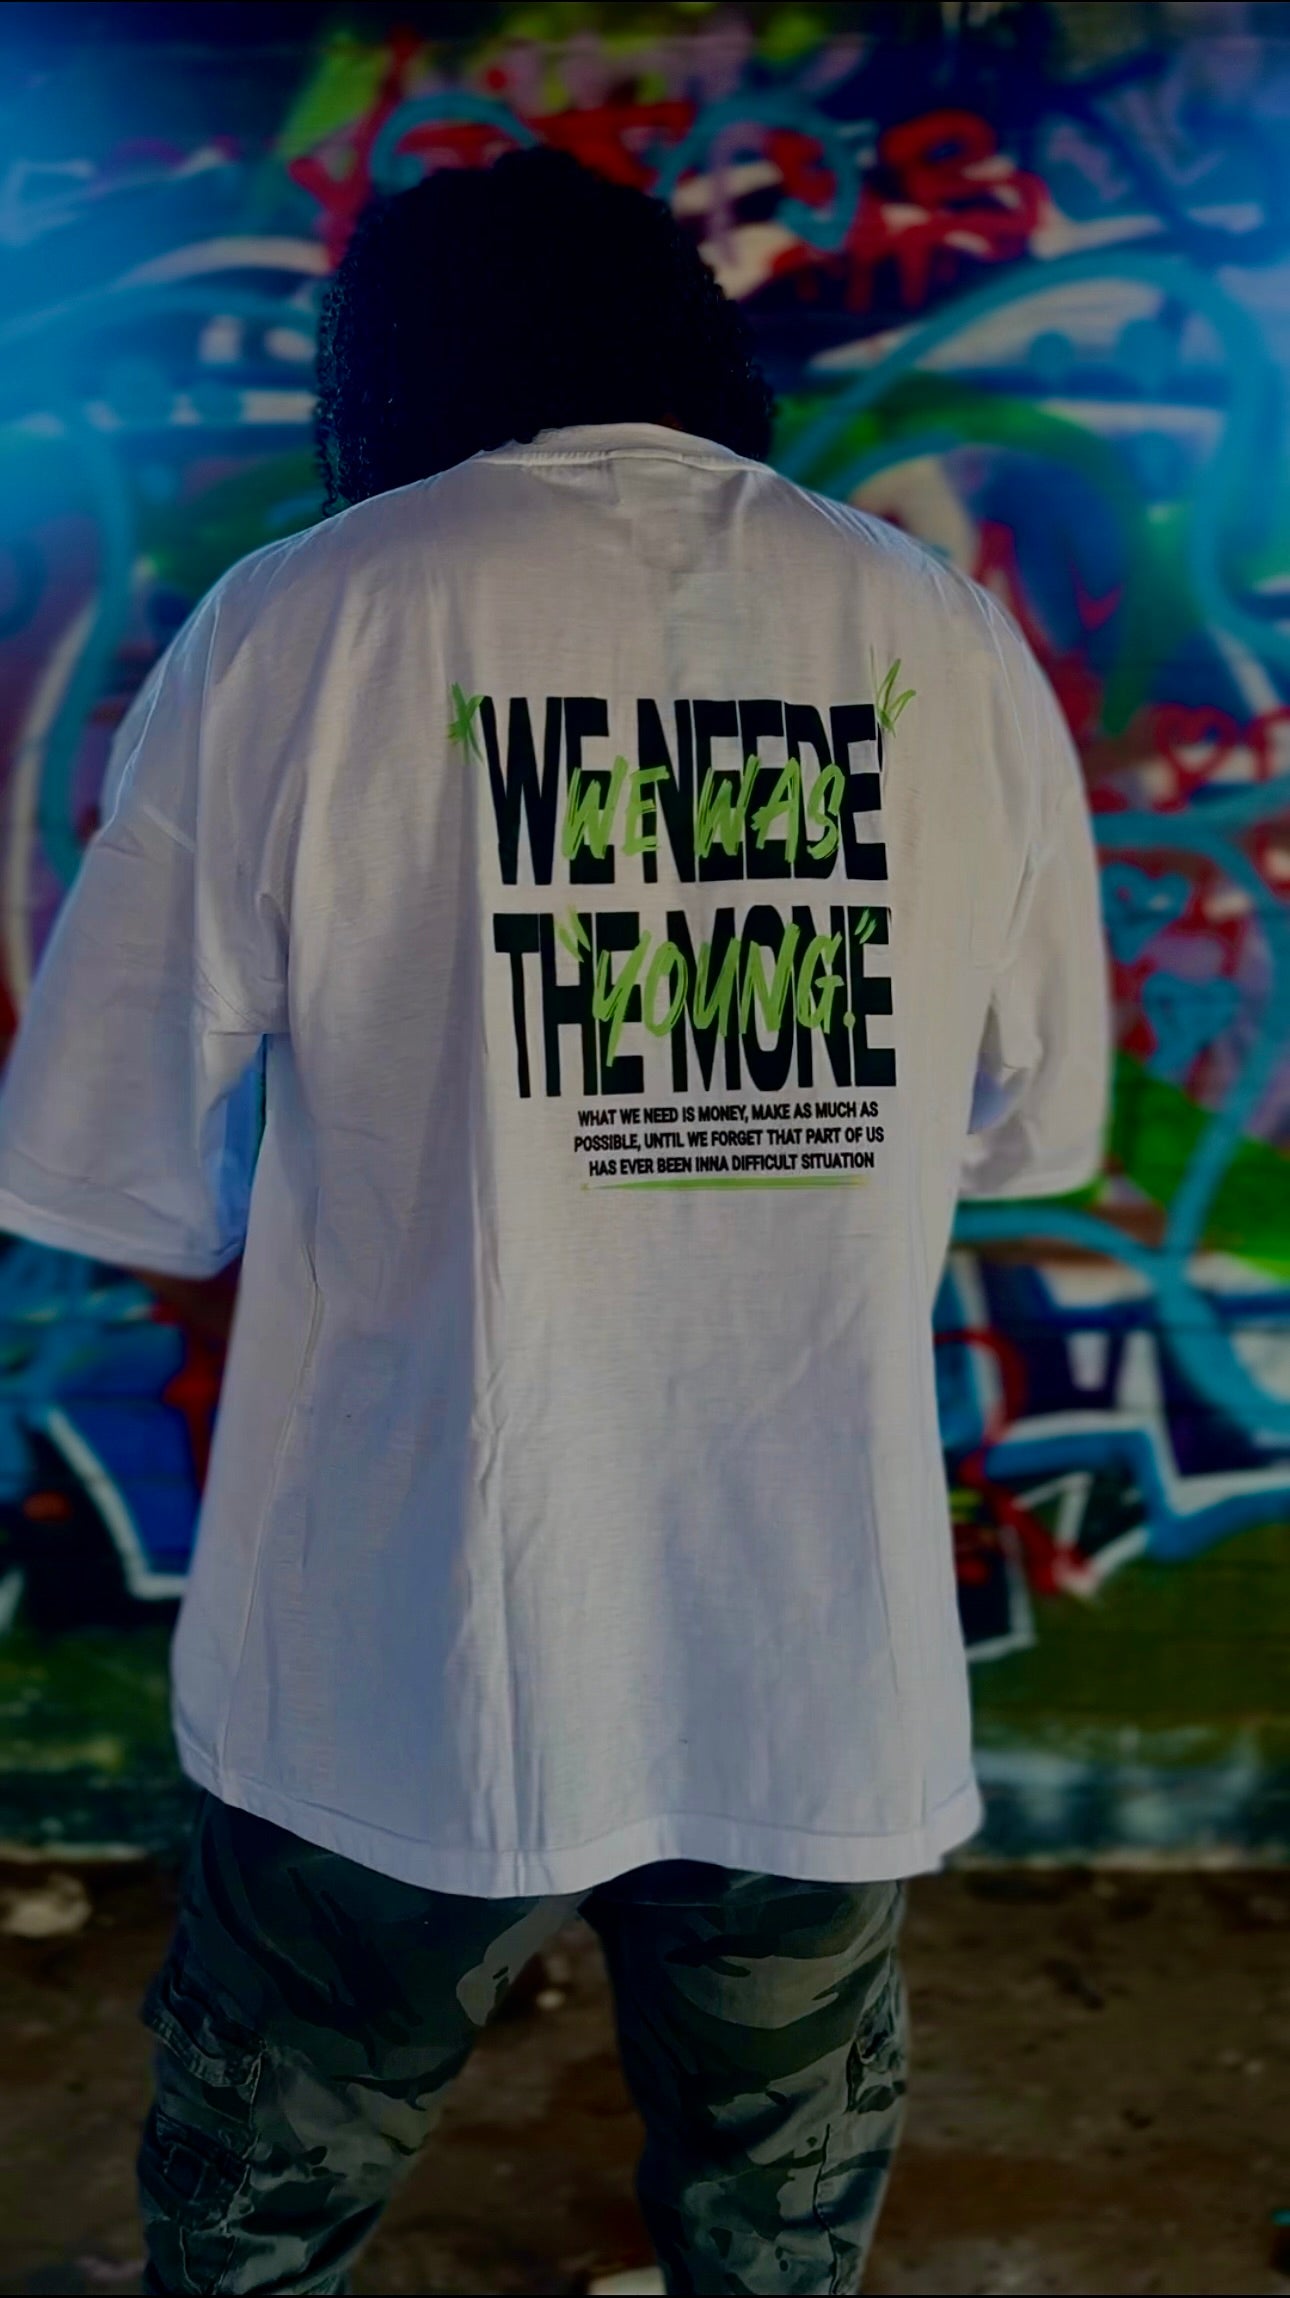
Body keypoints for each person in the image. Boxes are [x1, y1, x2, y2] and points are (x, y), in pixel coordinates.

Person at [0, 147, 1109, 2296]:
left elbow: (107, 1154)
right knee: (776, 2227)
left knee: (263, 2215)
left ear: (396, 363)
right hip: (808, 1647)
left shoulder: (312, 615)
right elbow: (1033, 1122)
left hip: (400, 1652)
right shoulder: (934, 628)